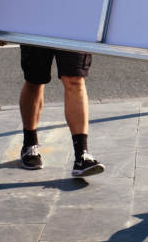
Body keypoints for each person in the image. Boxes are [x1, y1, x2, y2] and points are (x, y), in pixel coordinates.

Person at [17, 46, 104, 177]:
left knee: (75, 79)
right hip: (36, 26)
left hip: (73, 27)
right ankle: (29, 144)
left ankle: (82, 155)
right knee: (34, 79)